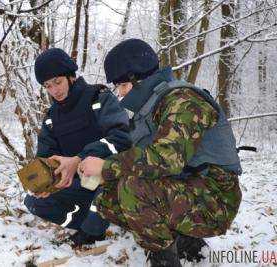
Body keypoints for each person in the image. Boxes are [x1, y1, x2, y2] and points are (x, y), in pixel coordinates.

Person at [79, 39, 242, 266]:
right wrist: (88, 164)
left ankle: (164, 259)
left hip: (216, 199)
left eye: (122, 86)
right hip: (190, 190)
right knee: (110, 195)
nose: (121, 94)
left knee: (133, 188)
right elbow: (135, 157)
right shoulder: (154, 108)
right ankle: (187, 244)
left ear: (138, 80)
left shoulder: (184, 101)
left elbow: (167, 158)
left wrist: (106, 167)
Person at [24, 48, 132, 247]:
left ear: (71, 76)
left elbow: (122, 137)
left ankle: (93, 231)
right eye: (48, 86)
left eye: (58, 82)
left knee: (105, 189)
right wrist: (47, 183)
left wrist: (80, 159)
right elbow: (45, 157)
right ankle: (93, 220)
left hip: (110, 178)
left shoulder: (99, 98)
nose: (54, 90)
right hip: (79, 184)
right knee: (33, 202)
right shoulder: (51, 118)